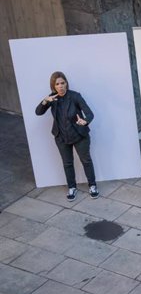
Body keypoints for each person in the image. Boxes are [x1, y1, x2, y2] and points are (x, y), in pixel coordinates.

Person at [35, 71, 99, 201]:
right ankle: (72, 187)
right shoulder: (52, 99)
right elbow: (38, 112)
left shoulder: (75, 96)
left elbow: (90, 114)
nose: (60, 86)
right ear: (53, 86)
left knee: (86, 161)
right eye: (57, 84)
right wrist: (45, 101)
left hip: (79, 135)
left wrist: (85, 121)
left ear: (66, 83)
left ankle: (92, 186)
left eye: (62, 83)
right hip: (61, 137)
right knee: (67, 163)